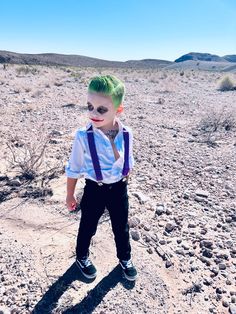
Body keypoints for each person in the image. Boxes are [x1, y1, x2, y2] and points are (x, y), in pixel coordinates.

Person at [65, 75, 137, 281]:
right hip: (95, 188)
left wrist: (125, 171)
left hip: (119, 189)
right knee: (88, 224)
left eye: (101, 109)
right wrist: (70, 194)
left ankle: (125, 258)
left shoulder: (127, 133)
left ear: (118, 110)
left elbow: (128, 160)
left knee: (121, 226)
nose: (93, 113)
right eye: (89, 106)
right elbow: (74, 168)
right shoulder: (83, 136)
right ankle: (81, 256)